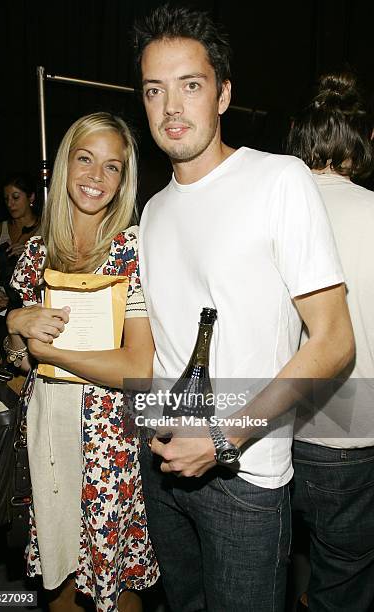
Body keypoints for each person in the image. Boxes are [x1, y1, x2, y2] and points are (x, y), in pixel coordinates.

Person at [133, 6, 354, 611]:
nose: (172, 106)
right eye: (155, 90)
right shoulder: (153, 211)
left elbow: (334, 342)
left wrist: (224, 439)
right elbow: (159, 346)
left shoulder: (278, 180)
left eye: (191, 85)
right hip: (162, 464)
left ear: (224, 94)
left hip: (243, 476)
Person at [5, 113, 159, 612]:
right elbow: (20, 361)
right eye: (85, 159)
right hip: (47, 427)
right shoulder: (35, 251)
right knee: (60, 574)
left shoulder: (132, 250)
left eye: (112, 167)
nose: (96, 177)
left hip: (108, 437)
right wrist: (16, 326)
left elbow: (138, 365)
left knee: (116, 581)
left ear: (124, 180)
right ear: (65, 163)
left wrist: (52, 351)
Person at [286, 72, 374, 612]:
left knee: (266, 568)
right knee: (343, 578)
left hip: (269, 429)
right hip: (354, 435)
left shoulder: (273, 206)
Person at [0, 172, 39, 313]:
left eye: (15, 197)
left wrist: (31, 256)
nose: (10, 204)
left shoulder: (46, 227)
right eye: (6, 199)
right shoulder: (1, 228)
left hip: (33, 304)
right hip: (5, 304)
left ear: (31, 197)